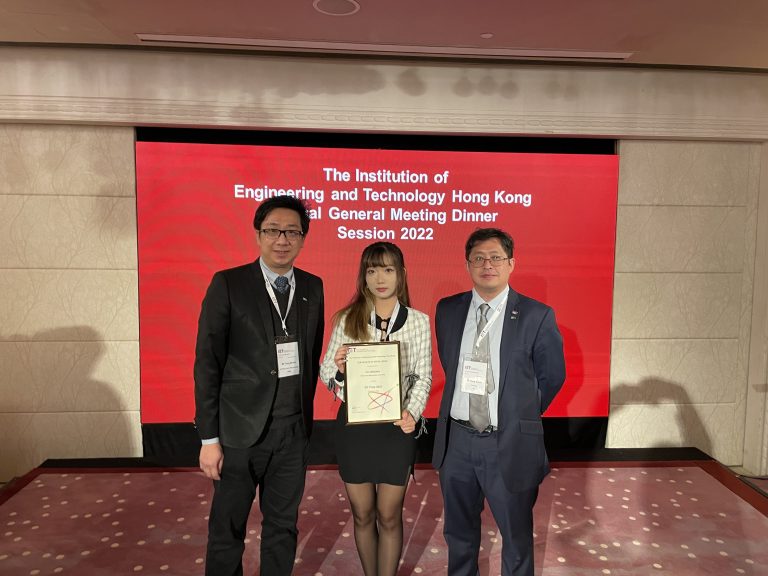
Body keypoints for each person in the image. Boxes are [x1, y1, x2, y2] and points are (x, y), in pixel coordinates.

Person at [194, 196, 324, 576]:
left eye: (292, 232)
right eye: (273, 230)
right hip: (238, 434)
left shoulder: (312, 287)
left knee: (283, 527)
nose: (282, 240)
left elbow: (312, 355)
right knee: (227, 529)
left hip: (292, 432)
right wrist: (209, 438)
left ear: (302, 239)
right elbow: (208, 363)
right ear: (258, 235)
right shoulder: (229, 284)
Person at [432, 228, 565, 576]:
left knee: (516, 538)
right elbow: (449, 363)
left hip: (508, 442)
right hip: (457, 442)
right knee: (458, 535)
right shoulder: (448, 310)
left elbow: (552, 376)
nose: (487, 265)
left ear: (511, 264)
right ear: (467, 265)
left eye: (495, 258)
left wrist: (520, 411)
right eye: (478, 258)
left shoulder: (536, 315)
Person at [320, 241, 432, 576]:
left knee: (389, 514)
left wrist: (413, 413)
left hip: (397, 428)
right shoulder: (347, 319)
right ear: (363, 276)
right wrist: (341, 370)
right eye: (372, 270)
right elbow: (326, 372)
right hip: (355, 429)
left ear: (401, 274)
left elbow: (423, 376)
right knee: (363, 514)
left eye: (387, 269)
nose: (379, 278)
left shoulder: (419, 321)